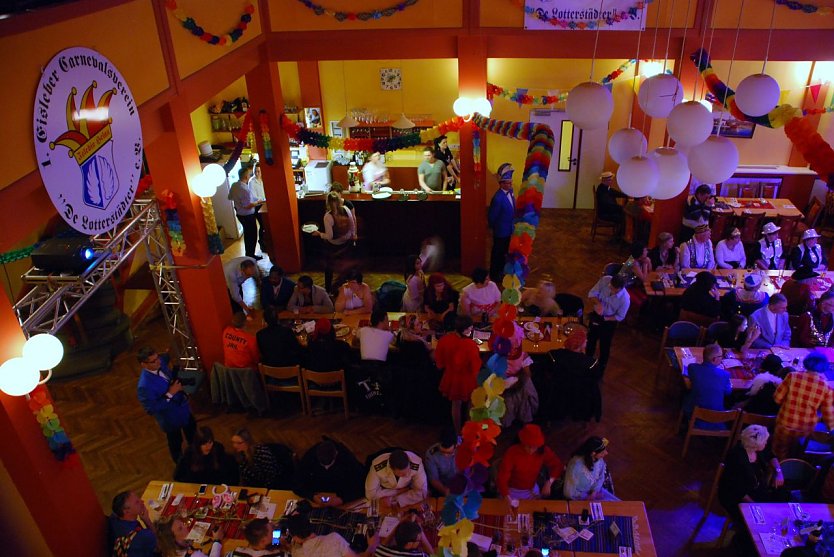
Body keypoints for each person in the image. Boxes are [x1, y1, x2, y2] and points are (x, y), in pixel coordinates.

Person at [136, 346, 195, 463]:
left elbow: (166, 356)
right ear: (144, 365)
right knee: (176, 444)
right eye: (153, 361)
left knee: (193, 436)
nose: (158, 361)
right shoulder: (144, 386)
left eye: (157, 358)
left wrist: (170, 352)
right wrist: (170, 393)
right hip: (170, 418)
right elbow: (151, 409)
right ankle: (181, 467)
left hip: (183, 409)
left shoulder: (159, 361)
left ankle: (197, 456)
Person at [772, 352, 834, 459]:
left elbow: (777, 399)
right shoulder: (826, 388)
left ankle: (777, 471)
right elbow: (828, 416)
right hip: (806, 430)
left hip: (784, 424)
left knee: (778, 455)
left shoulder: (792, 376)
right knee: (796, 455)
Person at [718, 425, 785, 524]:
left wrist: (779, 472)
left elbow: (771, 456)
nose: (766, 443)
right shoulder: (737, 458)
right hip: (736, 497)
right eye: (765, 441)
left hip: (755, 490)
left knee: (781, 502)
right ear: (756, 445)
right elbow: (737, 490)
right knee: (761, 520)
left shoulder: (758, 450)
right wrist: (756, 506)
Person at [435, 315, 481, 433]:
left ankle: (457, 431)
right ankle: (469, 429)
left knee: (456, 405)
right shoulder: (470, 345)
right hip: (467, 379)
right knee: (471, 402)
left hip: (451, 378)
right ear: (465, 330)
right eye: (470, 329)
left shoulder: (444, 340)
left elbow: (439, 364)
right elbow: (475, 367)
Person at [496, 424, 563, 500]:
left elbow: (557, 465)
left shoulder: (543, 451)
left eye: (534, 446)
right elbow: (502, 477)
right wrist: (505, 495)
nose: (531, 450)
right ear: (522, 441)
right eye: (528, 446)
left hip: (531, 489)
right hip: (511, 490)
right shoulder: (512, 452)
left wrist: (549, 482)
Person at [549, 329, 603, 422]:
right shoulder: (590, 362)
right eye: (585, 341)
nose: (586, 341)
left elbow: (549, 370)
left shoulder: (554, 354)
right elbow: (595, 378)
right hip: (580, 393)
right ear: (580, 345)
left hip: (560, 389)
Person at [294, 439, 366, 506]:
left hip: (341, 495)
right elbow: (296, 483)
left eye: (329, 464)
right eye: (322, 464)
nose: (326, 467)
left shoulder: (347, 458)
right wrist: (311, 496)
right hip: (317, 497)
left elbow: (362, 486)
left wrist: (342, 499)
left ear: (336, 454)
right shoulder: (310, 457)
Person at [313, 191, 356, 293]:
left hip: (334, 246)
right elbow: (352, 225)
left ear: (328, 202)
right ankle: (349, 287)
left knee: (329, 268)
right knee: (346, 267)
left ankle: (328, 290)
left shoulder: (328, 216)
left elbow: (330, 236)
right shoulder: (346, 209)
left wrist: (319, 234)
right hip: (346, 243)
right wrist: (352, 236)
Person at [586, 274, 630, 370]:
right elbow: (592, 293)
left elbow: (620, 316)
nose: (611, 290)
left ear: (621, 288)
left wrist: (606, 318)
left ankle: (602, 366)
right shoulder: (605, 280)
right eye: (611, 287)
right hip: (596, 315)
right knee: (590, 339)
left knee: (605, 345)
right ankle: (586, 361)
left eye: (615, 289)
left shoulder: (625, 299)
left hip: (609, 321)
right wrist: (598, 303)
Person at [501, 321, 540, 427]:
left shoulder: (520, 353)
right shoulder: (500, 355)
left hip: (518, 380)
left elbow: (527, 373)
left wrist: (518, 379)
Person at [683, 343, 731, 427]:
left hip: (692, 411)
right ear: (714, 359)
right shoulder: (725, 375)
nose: (722, 358)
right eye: (721, 356)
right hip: (715, 417)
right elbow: (728, 392)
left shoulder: (692, 368)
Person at [287, 513, 376, 557]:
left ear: (295, 538)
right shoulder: (334, 539)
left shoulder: (297, 553)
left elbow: (292, 549)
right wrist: (372, 546)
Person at [173, 426, 238, 485]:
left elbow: (228, 474)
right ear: (198, 444)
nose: (208, 446)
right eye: (204, 444)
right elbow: (179, 475)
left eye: (210, 442)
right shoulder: (189, 453)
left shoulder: (218, 450)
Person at [563, 437, 619, 501]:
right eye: (602, 452)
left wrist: (594, 492)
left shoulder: (598, 459)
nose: (606, 453)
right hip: (580, 498)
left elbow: (601, 476)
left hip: (595, 493)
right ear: (593, 453)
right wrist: (586, 496)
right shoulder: (576, 465)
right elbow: (569, 492)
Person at [487, 163, 515, 283]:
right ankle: (494, 274)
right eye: (508, 183)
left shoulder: (511, 192)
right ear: (502, 184)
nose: (510, 184)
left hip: (508, 229)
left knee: (504, 252)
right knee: (497, 253)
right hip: (500, 231)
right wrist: (493, 228)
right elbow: (492, 216)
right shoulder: (498, 198)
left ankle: (501, 270)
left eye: (511, 182)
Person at [108, 491, 157, 557]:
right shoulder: (142, 536)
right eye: (137, 502)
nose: (142, 501)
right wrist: (147, 520)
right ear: (127, 511)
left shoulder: (113, 518)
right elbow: (160, 543)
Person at [228, 166, 262, 260]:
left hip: (240, 214)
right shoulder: (245, 189)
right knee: (252, 235)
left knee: (247, 235)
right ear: (246, 177)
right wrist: (257, 202)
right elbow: (247, 205)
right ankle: (251, 255)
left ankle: (249, 255)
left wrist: (238, 203)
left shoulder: (234, 185)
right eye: (249, 174)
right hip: (248, 216)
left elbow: (230, 197)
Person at [155, 515, 223, 557]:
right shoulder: (195, 555)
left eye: (182, 524)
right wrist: (217, 540)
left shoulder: (169, 551)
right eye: (180, 528)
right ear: (172, 539)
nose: (186, 526)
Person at [424, 428, 458, 496]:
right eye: (442, 452)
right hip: (443, 487)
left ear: (456, 446)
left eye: (449, 453)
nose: (445, 455)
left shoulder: (466, 448)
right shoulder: (431, 455)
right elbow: (433, 479)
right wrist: (445, 491)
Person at [618, 241, 651, 308]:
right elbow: (644, 279)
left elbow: (650, 271)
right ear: (640, 252)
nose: (647, 251)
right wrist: (645, 264)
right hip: (623, 287)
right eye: (645, 250)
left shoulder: (637, 258)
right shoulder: (633, 263)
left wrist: (649, 262)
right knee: (643, 299)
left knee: (646, 296)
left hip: (632, 283)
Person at [249, 162, 267, 251]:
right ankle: (262, 244)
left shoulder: (264, 180)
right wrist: (264, 199)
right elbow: (254, 196)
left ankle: (266, 242)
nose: (257, 173)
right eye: (255, 171)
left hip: (265, 204)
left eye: (259, 171)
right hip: (258, 206)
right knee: (263, 225)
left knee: (266, 225)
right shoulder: (252, 182)